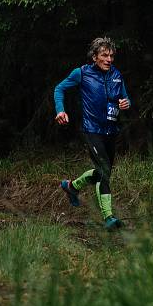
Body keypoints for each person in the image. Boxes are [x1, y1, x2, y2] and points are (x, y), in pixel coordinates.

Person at [53, 37, 131, 230]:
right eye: (104, 55)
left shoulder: (117, 75)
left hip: (111, 130)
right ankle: (109, 217)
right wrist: (60, 110)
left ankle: (72, 186)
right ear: (95, 56)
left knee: (104, 172)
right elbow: (59, 89)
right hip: (91, 129)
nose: (109, 59)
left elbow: (125, 98)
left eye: (111, 55)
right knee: (104, 169)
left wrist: (126, 103)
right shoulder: (82, 73)